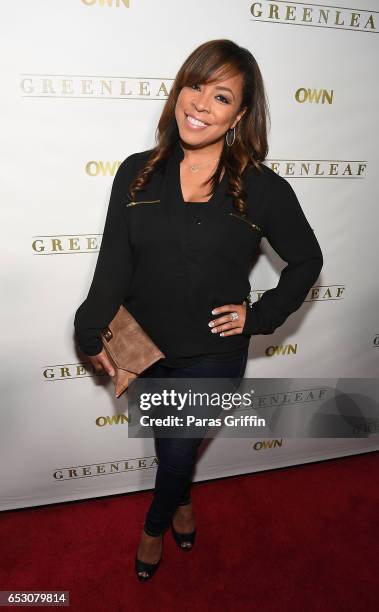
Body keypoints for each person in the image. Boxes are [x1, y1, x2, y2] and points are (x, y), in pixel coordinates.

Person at [74, 39, 323, 581]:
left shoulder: (262, 188)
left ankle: (153, 528)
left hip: (211, 355)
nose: (201, 104)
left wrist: (260, 317)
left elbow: (307, 260)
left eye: (222, 96)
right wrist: (88, 326)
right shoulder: (137, 172)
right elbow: (113, 263)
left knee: (177, 451)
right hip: (146, 349)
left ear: (240, 115)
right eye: (195, 85)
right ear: (179, 90)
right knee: (175, 449)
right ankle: (183, 501)